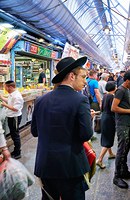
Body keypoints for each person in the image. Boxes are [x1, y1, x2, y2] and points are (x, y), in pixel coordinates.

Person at [31, 56, 94, 200]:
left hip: (45, 165)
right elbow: (85, 135)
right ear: (72, 76)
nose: (85, 81)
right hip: (70, 167)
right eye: (83, 77)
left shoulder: (40, 100)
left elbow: (35, 132)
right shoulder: (80, 100)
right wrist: (87, 119)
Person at [111, 71, 130, 189]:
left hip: (128, 123)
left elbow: (125, 105)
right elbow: (114, 107)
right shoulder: (121, 90)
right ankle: (117, 176)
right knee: (121, 149)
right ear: (127, 81)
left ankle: (124, 171)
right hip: (122, 124)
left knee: (126, 148)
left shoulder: (128, 90)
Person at [0, 80, 24, 159]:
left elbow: (16, 108)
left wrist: (4, 105)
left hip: (15, 117)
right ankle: (15, 151)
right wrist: (2, 98)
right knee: (13, 134)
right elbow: (9, 102)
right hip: (11, 117)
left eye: (6, 88)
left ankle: (18, 152)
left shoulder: (17, 96)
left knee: (15, 135)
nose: (5, 89)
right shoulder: (11, 94)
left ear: (10, 87)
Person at [96, 81, 117, 169]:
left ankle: (110, 153)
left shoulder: (105, 96)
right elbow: (114, 109)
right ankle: (99, 160)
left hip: (104, 117)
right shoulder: (112, 97)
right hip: (109, 119)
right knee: (108, 139)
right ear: (114, 88)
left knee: (106, 136)